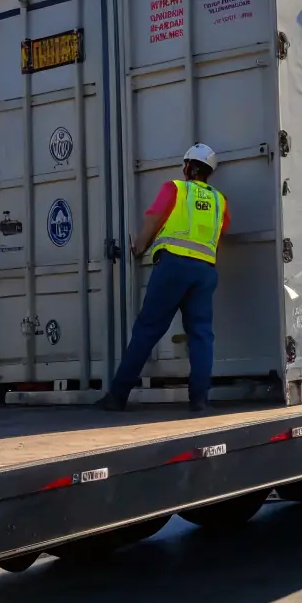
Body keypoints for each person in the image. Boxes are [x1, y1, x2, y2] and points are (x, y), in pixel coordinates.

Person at [105, 143, 229, 413]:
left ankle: (117, 396)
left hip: (173, 266)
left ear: (187, 166)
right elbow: (218, 236)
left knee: (148, 329)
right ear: (209, 172)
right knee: (201, 335)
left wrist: (138, 248)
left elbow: (154, 218)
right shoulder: (220, 201)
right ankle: (199, 400)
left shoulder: (176, 189)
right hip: (205, 271)